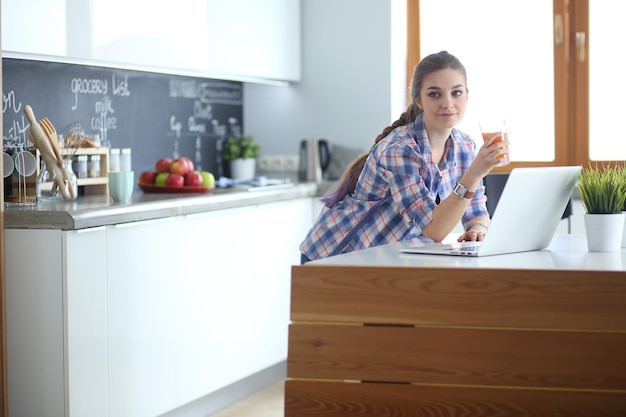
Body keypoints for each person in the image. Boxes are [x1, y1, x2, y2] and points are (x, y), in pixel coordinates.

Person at [299, 51, 508, 264]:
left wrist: (477, 229)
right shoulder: (400, 149)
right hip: (334, 257)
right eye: (435, 94)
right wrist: (475, 173)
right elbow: (434, 228)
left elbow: (476, 210)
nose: (448, 103)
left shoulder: (465, 146)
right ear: (418, 99)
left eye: (456, 93)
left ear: (466, 96)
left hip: (386, 257)